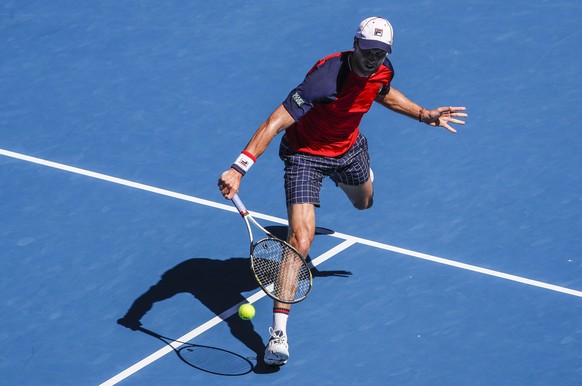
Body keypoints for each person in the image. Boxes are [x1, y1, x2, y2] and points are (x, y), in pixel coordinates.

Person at [218, 16, 468, 366]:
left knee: (364, 203)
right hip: (305, 155)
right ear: (355, 45)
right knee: (300, 241)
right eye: (367, 51)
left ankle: (344, 179)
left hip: (349, 149)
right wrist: (239, 167)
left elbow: (384, 93)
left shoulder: (383, 69)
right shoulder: (322, 81)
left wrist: (424, 114)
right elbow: (274, 122)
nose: (372, 59)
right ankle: (278, 335)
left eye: (380, 54)